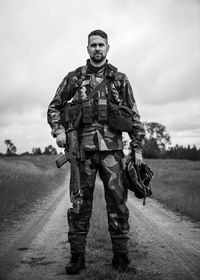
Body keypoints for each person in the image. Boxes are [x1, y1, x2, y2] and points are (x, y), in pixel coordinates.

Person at [47, 29, 145, 274]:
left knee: (118, 205)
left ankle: (121, 258)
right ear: (87, 48)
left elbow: (133, 116)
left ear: (108, 48)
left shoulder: (120, 79)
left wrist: (138, 148)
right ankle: (77, 257)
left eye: (101, 45)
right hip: (83, 153)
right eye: (93, 45)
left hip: (112, 153)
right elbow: (54, 107)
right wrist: (58, 131)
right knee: (80, 205)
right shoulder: (74, 78)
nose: (97, 49)